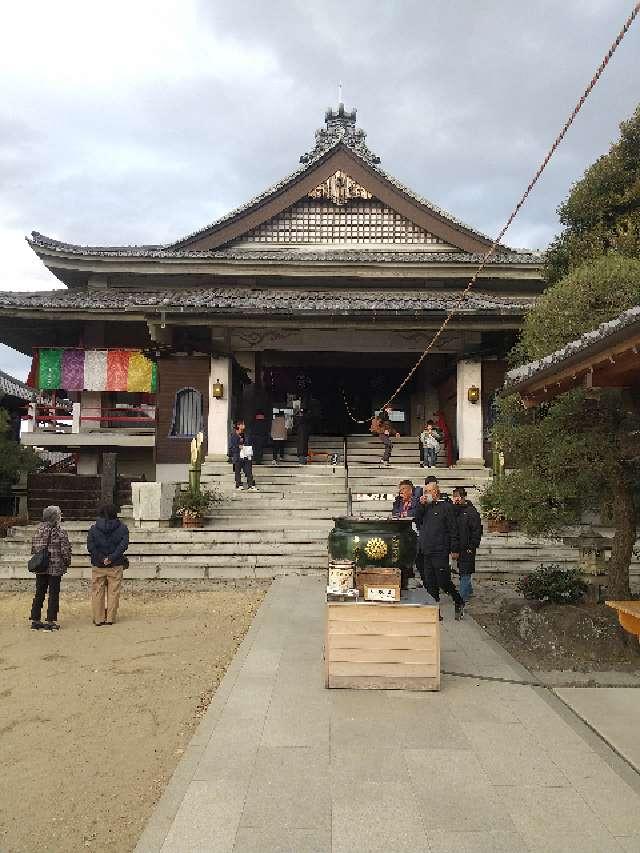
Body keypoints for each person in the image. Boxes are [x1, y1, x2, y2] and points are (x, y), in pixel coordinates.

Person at [415, 481, 465, 620]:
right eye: (425, 492)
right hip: (426, 550)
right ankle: (435, 612)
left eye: (429, 491)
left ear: (436, 492)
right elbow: (416, 518)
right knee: (430, 582)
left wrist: (454, 549)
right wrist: (420, 504)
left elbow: (453, 529)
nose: (426, 494)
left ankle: (458, 600)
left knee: (443, 581)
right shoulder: (425, 507)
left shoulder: (446, 507)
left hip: (440, 550)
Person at [30, 505, 72, 630]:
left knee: (39, 593)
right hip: (55, 567)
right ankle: (50, 620)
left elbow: (34, 549)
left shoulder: (37, 531)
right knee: (53, 594)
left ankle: (35, 619)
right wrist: (67, 562)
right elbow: (65, 551)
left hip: (41, 567)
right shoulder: (60, 532)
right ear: (56, 518)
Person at [87, 504, 130, 626]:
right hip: (115, 564)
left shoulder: (93, 529)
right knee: (113, 592)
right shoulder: (123, 528)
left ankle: (98, 618)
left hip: (98, 564)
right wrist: (111, 558)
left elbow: (91, 546)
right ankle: (110, 618)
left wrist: (101, 558)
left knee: (97, 591)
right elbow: (123, 546)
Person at [452, 487, 483, 602]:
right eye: (454, 496)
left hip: (468, 548)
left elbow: (477, 531)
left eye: (457, 496)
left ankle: (461, 599)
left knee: (465, 572)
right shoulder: (454, 511)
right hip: (457, 547)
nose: (455, 499)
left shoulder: (471, 512)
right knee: (462, 571)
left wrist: (472, 546)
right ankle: (469, 591)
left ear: (463, 497)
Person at [229, 420, 258, 490]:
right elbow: (231, 446)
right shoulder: (233, 435)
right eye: (242, 424)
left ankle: (251, 485)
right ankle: (238, 485)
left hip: (245, 454)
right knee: (237, 471)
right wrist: (238, 446)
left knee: (248, 470)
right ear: (238, 426)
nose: (244, 425)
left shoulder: (244, 434)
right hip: (237, 455)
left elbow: (248, 442)